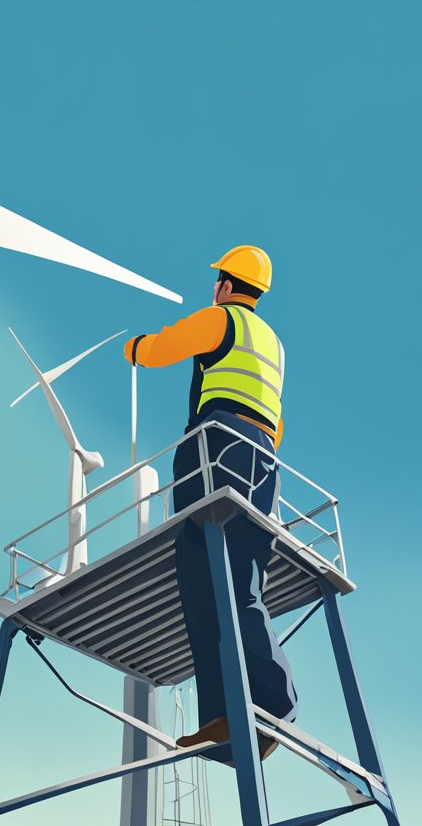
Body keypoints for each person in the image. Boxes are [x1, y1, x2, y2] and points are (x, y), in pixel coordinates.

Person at [123, 245, 294, 763]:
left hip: (217, 447)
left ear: (224, 283)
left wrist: (133, 347)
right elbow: (277, 421)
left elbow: (162, 347)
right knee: (216, 587)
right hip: (262, 458)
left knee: (220, 585)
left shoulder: (221, 321)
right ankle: (222, 716)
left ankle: (269, 711)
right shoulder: (274, 345)